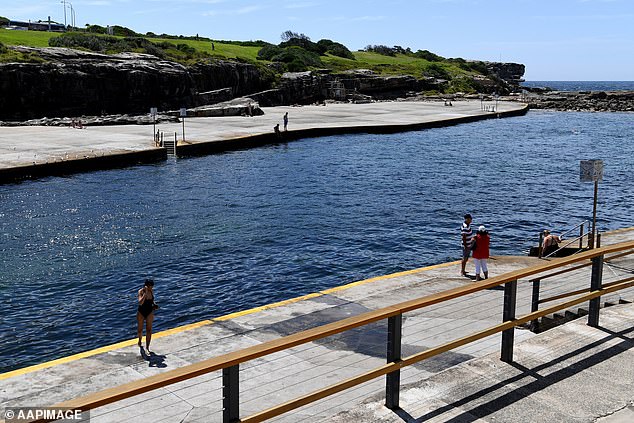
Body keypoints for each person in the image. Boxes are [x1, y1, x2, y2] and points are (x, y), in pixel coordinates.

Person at [137, 278, 158, 351]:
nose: (152, 287)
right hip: (141, 312)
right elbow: (140, 302)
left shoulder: (151, 291)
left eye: (152, 286)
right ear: (146, 286)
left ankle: (147, 347)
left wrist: (154, 304)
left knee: (149, 330)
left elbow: (152, 300)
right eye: (150, 286)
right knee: (140, 330)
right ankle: (139, 340)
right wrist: (145, 294)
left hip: (149, 311)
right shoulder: (141, 292)